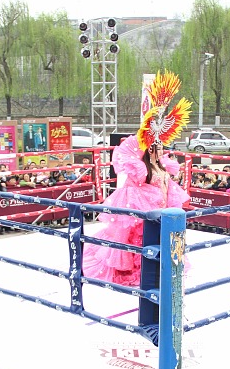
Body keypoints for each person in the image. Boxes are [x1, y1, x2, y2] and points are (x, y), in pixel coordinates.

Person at [82, 70, 191, 287]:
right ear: (150, 150)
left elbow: (168, 185)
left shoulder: (164, 165)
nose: (162, 150)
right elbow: (135, 186)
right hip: (146, 212)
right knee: (140, 242)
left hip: (163, 210)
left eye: (162, 147)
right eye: (158, 147)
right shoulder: (141, 169)